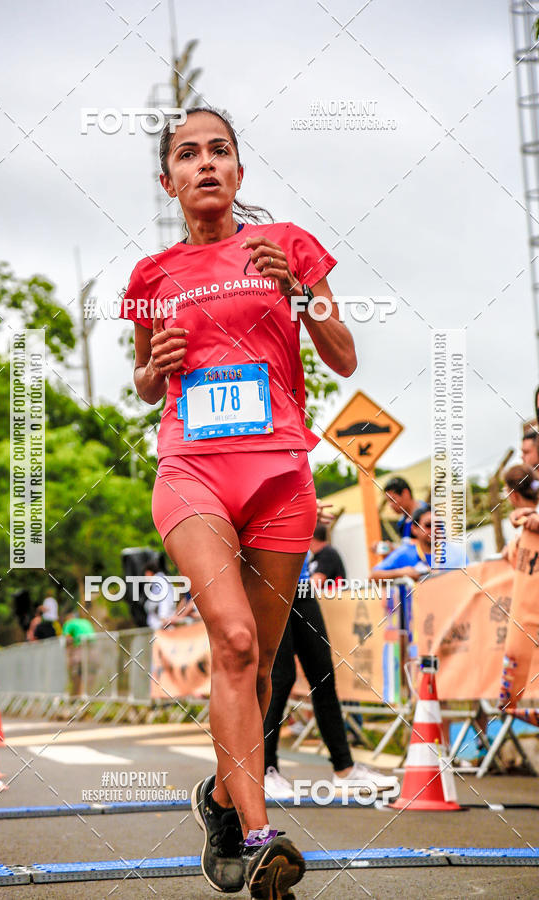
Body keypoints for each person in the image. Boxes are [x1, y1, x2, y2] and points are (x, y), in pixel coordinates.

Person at [120, 106, 356, 897]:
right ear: (170, 182)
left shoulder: (285, 246)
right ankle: (260, 837)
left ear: (239, 171)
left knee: (255, 670)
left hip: (281, 475)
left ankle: (220, 802)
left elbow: (344, 357)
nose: (206, 163)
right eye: (188, 154)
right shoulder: (152, 276)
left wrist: (302, 293)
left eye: (219, 150)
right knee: (232, 637)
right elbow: (145, 382)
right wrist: (155, 367)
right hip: (193, 471)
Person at [263, 532, 398, 801]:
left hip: (300, 584)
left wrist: (312, 514)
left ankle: (344, 769)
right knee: (281, 677)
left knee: (323, 676)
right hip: (268, 581)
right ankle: (265, 770)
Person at [383, 476, 426, 541]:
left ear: (405, 493)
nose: (390, 505)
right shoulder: (402, 523)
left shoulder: (428, 516)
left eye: (392, 499)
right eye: (388, 501)